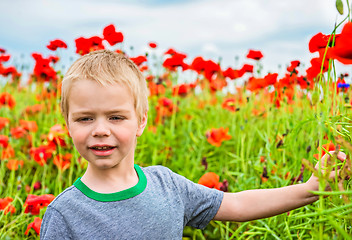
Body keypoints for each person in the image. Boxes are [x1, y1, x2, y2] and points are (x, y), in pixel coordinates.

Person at [40, 50, 346, 239]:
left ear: (141, 121)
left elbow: (238, 204)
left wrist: (310, 188)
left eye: (116, 117)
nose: (100, 130)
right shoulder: (65, 214)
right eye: (85, 119)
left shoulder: (167, 186)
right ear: (67, 123)